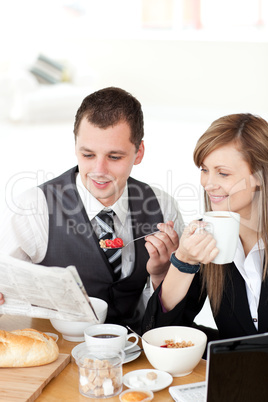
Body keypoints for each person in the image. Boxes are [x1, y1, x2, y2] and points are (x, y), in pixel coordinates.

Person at [0, 87, 183, 332]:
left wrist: (162, 274)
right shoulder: (35, 207)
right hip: (58, 349)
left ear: (138, 153)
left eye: (114, 157)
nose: (99, 170)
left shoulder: (163, 206)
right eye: (87, 154)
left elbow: (176, 314)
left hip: (136, 350)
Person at [142, 113, 268, 342]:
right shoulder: (206, 234)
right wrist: (182, 262)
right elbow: (162, 334)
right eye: (204, 169)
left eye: (223, 173)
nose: (208, 184)